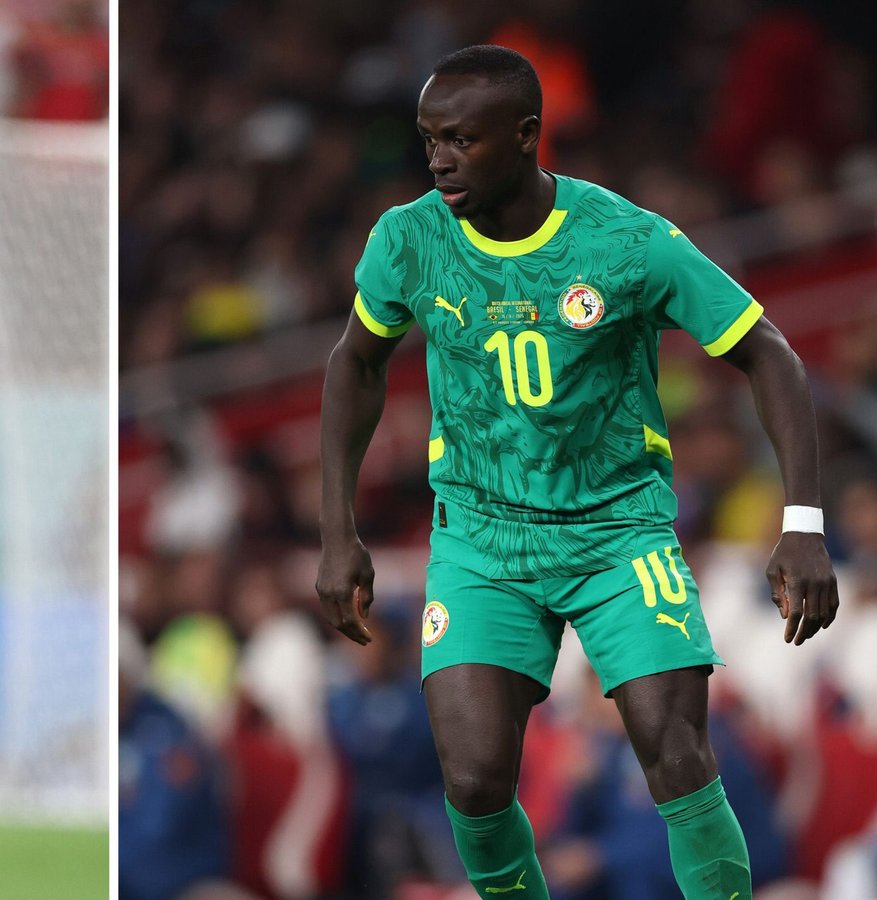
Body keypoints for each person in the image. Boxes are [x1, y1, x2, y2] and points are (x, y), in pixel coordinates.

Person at [316, 45, 838, 899]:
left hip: (614, 533)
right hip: (480, 538)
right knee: (476, 781)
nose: (440, 159)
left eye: (461, 139)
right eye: (429, 139)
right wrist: (339, 532)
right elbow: (355, 364)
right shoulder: (408, 239)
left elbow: (770, 354)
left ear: (525, 136)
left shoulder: (625, 242)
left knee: (673, 753)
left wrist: (803, 526)